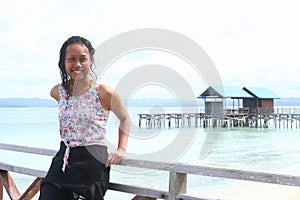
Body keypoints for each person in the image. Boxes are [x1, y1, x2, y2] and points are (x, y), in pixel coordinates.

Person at [39, 36, 130, 200]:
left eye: (83, 59)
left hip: (92, 161)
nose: (77, 65)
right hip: (64, 159)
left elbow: (124, 119)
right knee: (47, 194)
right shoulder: (57, 92)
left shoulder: (103, 92)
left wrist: (121, 149)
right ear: (63, 63)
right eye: (71, 59)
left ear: (91, 61)